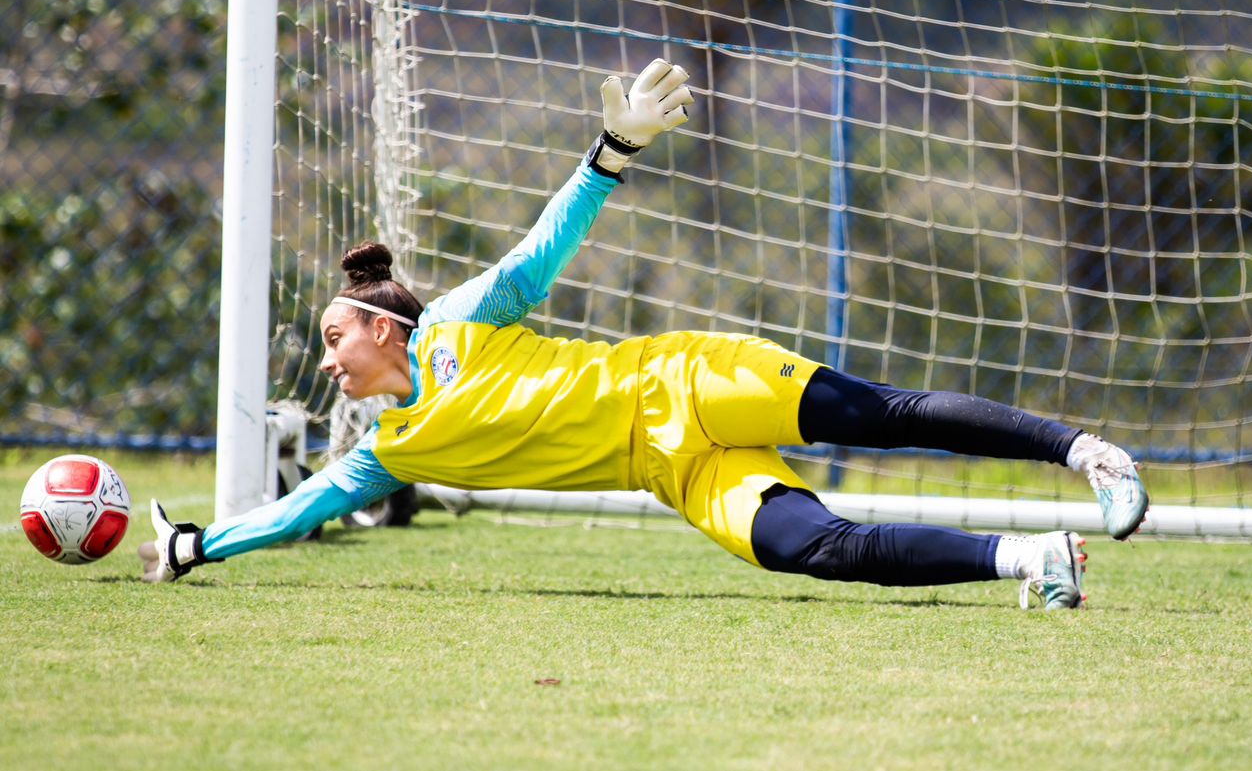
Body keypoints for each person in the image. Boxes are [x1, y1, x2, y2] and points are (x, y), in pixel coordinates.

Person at [140, 60, 1149, 610]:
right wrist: (195, 545)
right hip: (668, 467)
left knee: (873, 415)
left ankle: (1085, 451)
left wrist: (609, 153)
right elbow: (296, 511)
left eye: (332, 337)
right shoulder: (388, 451)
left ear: (380, 325)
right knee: (816, 549)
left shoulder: (451, 322)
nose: (325, 361)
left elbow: (537, 255)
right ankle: (1032, 558)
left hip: (687, 379)